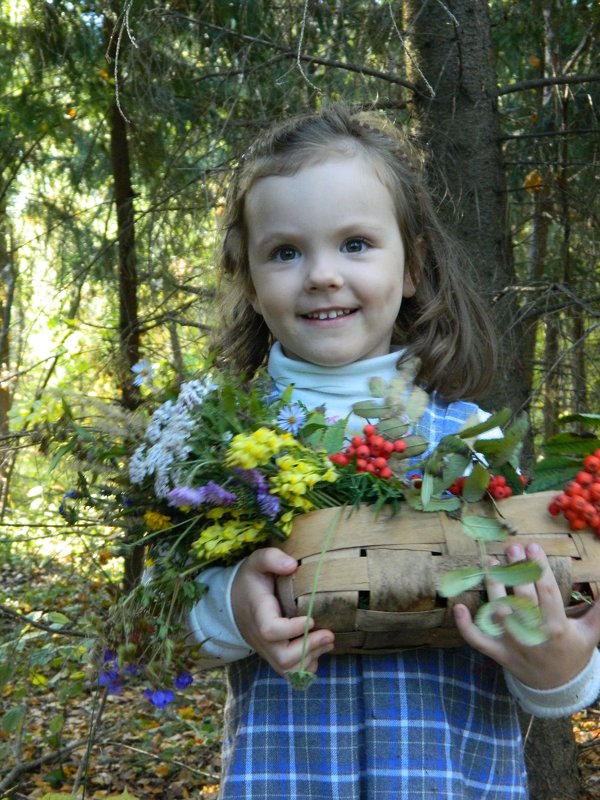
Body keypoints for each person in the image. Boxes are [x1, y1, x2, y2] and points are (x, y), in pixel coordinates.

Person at [186, 105, 600, 799]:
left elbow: (552, 654)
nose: (321, 274)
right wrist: (234, 606)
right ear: (250, 281)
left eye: (355, 244)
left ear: (411, 265)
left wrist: (560, 667)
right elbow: (166, 629)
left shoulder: (475, 449)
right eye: (286, 251)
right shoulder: (222, 447)